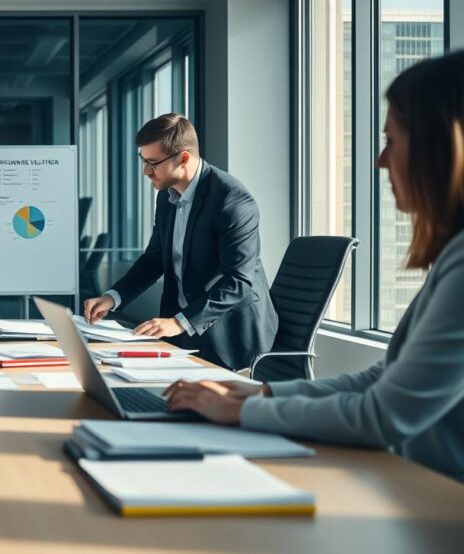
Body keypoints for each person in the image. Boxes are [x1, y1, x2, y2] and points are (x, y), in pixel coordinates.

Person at [164, 50, 464, 482]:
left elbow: (385, 414)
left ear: (440, 151)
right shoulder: (452, 253)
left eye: (392, 141)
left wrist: (244, 409)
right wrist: (259, 391)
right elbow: (385, 378)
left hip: (435, 499)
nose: (381, 161)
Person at [83, 114, 277, 370]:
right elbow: (154, 259)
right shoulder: (167, 196)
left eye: (153, 163)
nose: (146, 172)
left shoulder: (232, 202)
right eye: (143, 161)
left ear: (183, 158)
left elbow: (238, 281)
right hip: (184, 328)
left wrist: (179, 322)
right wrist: (113, 297)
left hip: (231, 334)